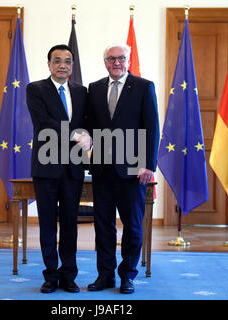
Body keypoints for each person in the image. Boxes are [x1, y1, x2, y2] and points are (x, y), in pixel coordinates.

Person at [86, 44, 160, 294]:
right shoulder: (94, 89)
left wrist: (149, 165)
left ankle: (128, 275)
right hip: (102, 170)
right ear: (105, 62)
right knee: (102, 225)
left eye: (121, 58)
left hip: (132, 170)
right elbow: (90, 126)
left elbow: (152, 128)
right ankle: (105, 275)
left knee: (133, 226)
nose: (116, 62)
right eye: (111, 59)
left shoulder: (143, 86)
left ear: (128, 61)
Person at [26, 44, 89, 293]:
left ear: (72, 66)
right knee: (48, 223)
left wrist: (90, 137)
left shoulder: (81, 92)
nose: (63, 65)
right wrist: (77, 135)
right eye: (57, 60)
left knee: (71, 224)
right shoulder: (36, 89)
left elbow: (88, 123)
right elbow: (44, 124)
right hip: (46, 167)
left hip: (73, 168)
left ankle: (69, 275)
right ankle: (51, 275)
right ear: (49, 64)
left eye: (67, 61)